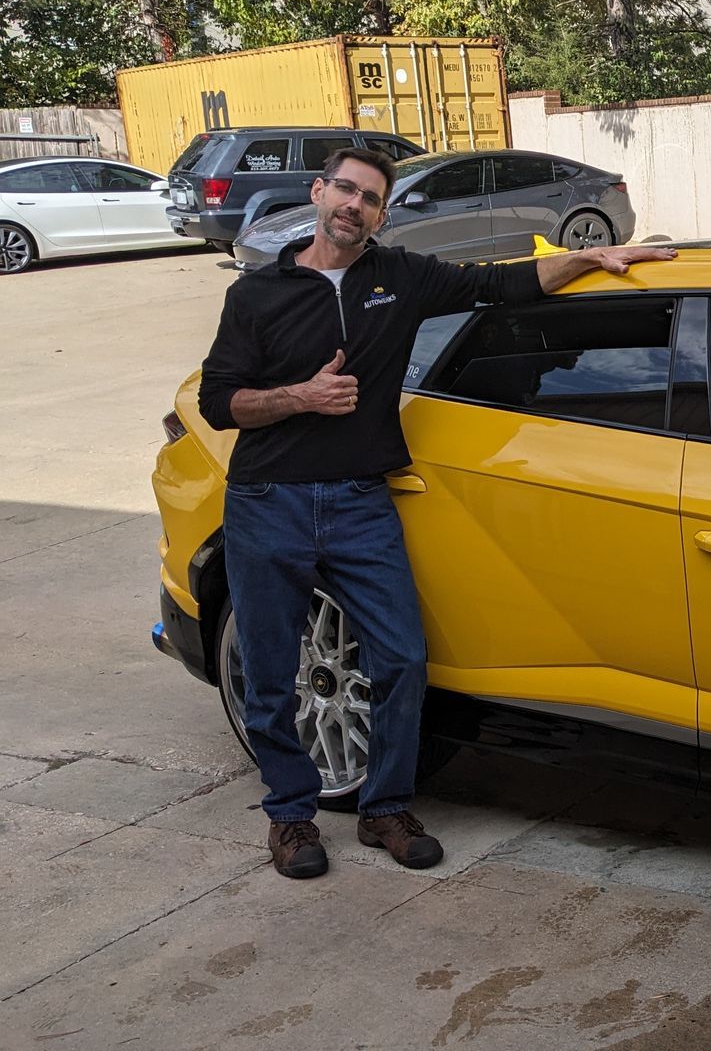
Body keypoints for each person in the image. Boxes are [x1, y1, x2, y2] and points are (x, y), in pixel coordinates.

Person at [198, 146, 676, 879]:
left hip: (361, 499)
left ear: (382, 215)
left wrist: (594, 257)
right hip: (270, 502)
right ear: (319, 193)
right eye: (346, 190)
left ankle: (384, 807)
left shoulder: (400, 277)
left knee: (401, 659)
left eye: (371, 199)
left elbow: (503, 285)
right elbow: (217, 402)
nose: (355, 206)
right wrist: (300, 396)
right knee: (269, 673)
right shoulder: (257, 295)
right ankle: (291, 818)